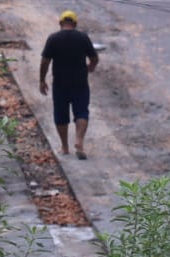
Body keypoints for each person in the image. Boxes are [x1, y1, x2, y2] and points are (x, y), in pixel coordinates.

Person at [38, 10, 99, 159]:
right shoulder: (83, 38)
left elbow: (45, 61)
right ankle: (79, 140)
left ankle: (65, 147)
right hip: (80, 82)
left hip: (60, 83)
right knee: (82, 112)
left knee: (61, 115)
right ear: (75, 24)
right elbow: (94, 57)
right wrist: (91, 66)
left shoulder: (53, 38)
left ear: (60, 23)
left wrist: (42, 79)